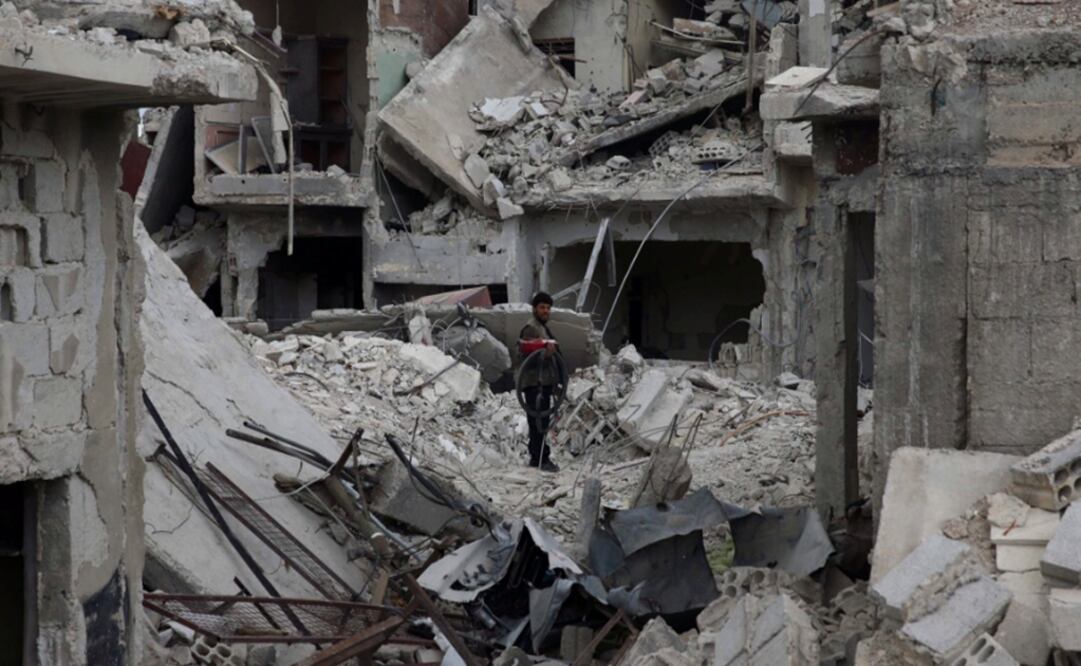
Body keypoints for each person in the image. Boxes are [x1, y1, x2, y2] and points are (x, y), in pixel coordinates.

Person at [518, 292, 561, 473]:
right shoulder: (531, 328)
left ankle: (537, 457)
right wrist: (545, 351)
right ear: (535, 308)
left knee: (540, 421)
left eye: (548, 308)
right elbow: (529, 354)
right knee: (538, 422)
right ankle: (541, 458)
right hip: (535, 383)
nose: (546, 311)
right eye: (542, 307)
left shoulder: (543, 328)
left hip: (543, 383)